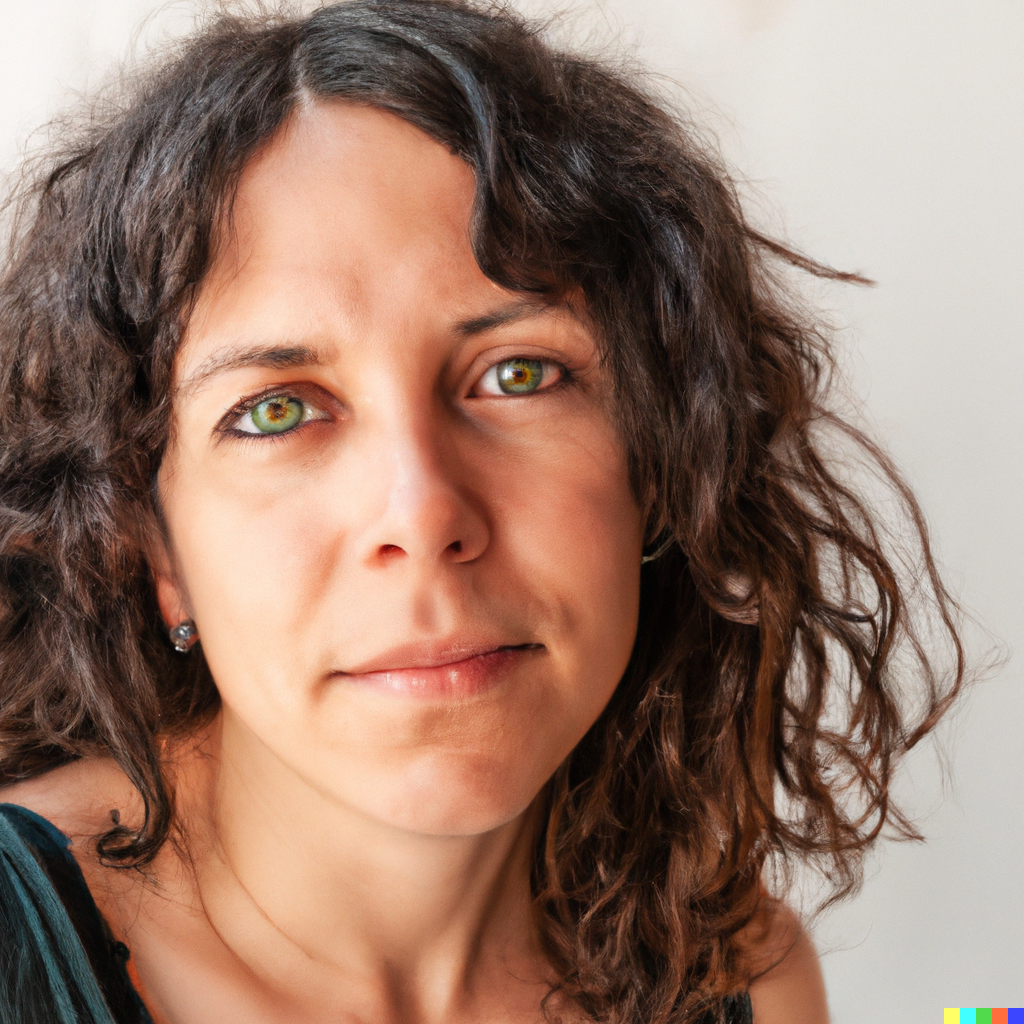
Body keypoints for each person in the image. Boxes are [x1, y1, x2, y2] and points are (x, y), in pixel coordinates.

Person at [0, 1, 964, 1022]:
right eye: (276, 411)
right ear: (153, 548)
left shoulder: (735, 980)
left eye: (518, 372)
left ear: (662, 462)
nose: (422, 512)